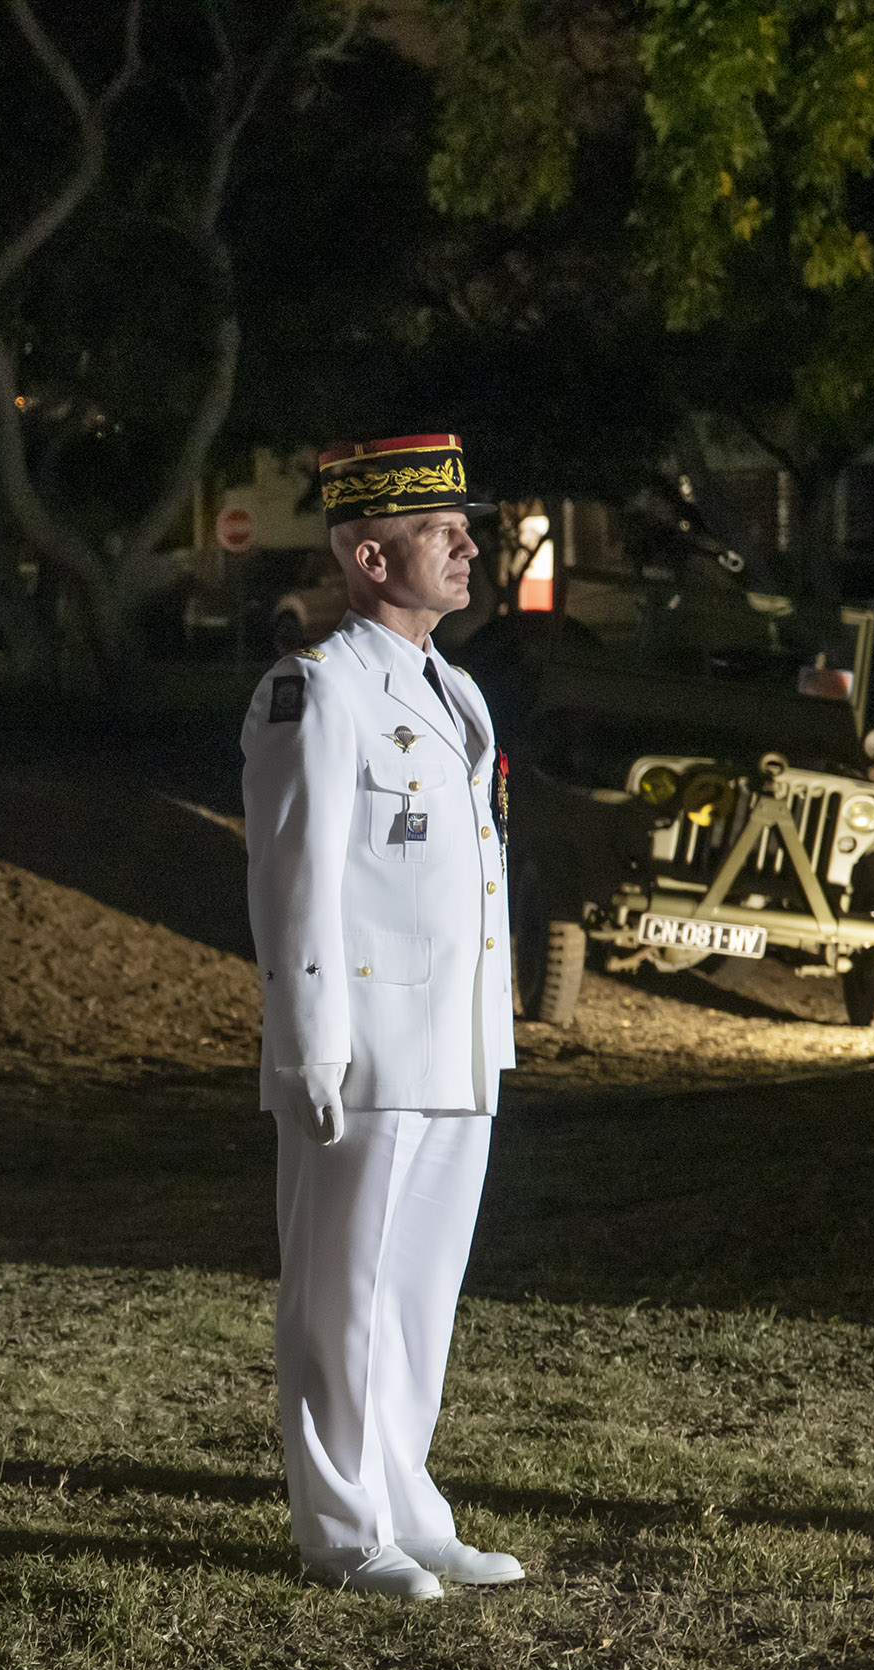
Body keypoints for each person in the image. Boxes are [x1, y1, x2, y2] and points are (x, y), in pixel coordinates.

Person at [240, 432, 527, 1601]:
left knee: (415, 1296)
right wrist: (308, 1040)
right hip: (360, 1044)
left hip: (452, 1040)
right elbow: (293, 877)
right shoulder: (315, 688)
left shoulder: (453, 690)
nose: (468, 544)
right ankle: (344, 1523)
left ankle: (409, 1499)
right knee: (340, 1296)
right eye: (437, 532)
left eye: (465, 526)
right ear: (370, 553)